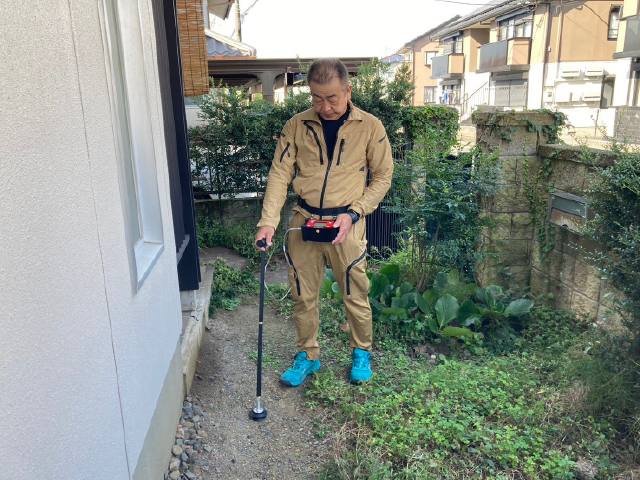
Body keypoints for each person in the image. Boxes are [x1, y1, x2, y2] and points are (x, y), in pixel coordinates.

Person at [254, 58, 393, 387]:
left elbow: (383, 177)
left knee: (355, 293)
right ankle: (308, 355)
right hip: (304, 221)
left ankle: (361, 352)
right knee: (303, 294)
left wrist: (355, 213)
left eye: (332, 98)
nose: (325, 107)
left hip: (347, 223)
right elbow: (280, 175)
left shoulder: (370, 127)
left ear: (348, 90)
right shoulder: (296, 126)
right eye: (317, 99)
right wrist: (268, 221)